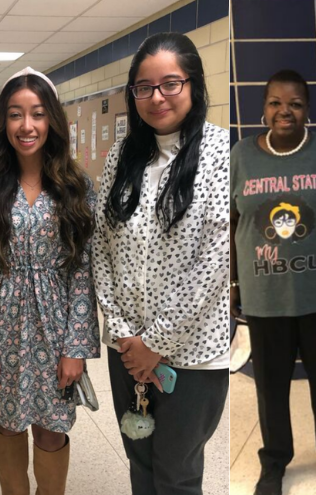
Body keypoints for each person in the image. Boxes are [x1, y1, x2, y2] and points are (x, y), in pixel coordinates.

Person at [92, 32, 230, 495]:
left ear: (193, 85)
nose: (156, 97)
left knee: (177, 473)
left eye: (170, 84)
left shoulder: (220, 152)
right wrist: (125, 334)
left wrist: (156, 342)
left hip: (191, 354)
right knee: (141, 460)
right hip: (126, 351)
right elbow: (101, 249)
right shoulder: (121, 156)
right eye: (143, 87)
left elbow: (214, 261)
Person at [0, 67, 100, 494]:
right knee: (8, 421)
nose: (27, 125)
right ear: (3, 122)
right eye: (16, 114)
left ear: (52, 120)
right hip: (3, 325)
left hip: (56, 325)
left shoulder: (76, 187)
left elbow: (82, 273)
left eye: (37, 114)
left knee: (52, 427)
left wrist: (76, 347)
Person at [231, 69, 316, 495]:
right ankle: (274, 462)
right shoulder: (240, 156)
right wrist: (233, 286)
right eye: (275, 102)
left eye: (294, 103)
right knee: (270, 390)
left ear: (308, 109)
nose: (284, 111)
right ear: (264, 108)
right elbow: (231, 226)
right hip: (264, 299)